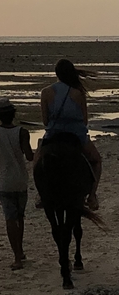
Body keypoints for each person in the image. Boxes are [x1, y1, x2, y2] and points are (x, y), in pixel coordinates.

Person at [38, 58, 101, 209]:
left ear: (56, 74)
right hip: (76, 136)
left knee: (38, 160)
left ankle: (41, 195)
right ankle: (92, 196)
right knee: (97, 160)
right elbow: (85, 120)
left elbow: (45, 121)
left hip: (53, 135)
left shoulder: (46, 92)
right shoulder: (78, 92)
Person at [0, 97, 34, 271]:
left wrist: (1, 149)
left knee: (10, 219)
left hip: (5, 180)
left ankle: (16, 256)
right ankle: (20, 251)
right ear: (13, 114)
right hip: (21, 179)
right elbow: (29, 156)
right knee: (20, 218)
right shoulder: (23, 132)